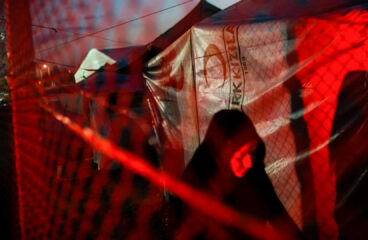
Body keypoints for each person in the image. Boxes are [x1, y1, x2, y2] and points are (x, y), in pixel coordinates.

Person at [168, 110, 302, 239]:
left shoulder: (253, 174)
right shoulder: (196, 184)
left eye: (252, 152)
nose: (249, 162)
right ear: (222, 153)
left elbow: (280, 219)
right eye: (242, 156)